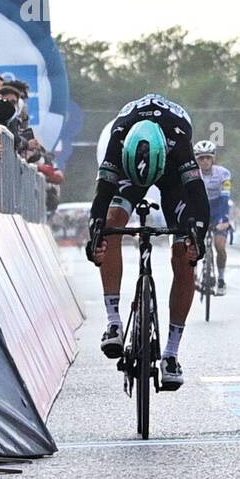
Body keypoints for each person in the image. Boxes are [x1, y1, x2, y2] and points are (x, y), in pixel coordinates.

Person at [87, 94, 210, 390]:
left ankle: (171, 353)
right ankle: (113, 322)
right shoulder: (117, 141)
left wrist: (198, 238)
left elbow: (198, 197)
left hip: (172, 175)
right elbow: (102, 197)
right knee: (112, 221)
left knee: (184, 252)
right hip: (129, 163)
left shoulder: (179, 143)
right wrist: (96, 238)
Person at [194, 140, 233, 294]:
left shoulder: (223, 174)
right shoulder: (192, 174)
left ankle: (221, 279)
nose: (204, 161)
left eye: (207, 158)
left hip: (218, 211)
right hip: (199, 210)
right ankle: (195, 275)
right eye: (201, 158)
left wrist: (224, 220)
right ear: (196, 160)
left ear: (213, 158)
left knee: (220, 247)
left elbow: (225, 198)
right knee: (194, 246)